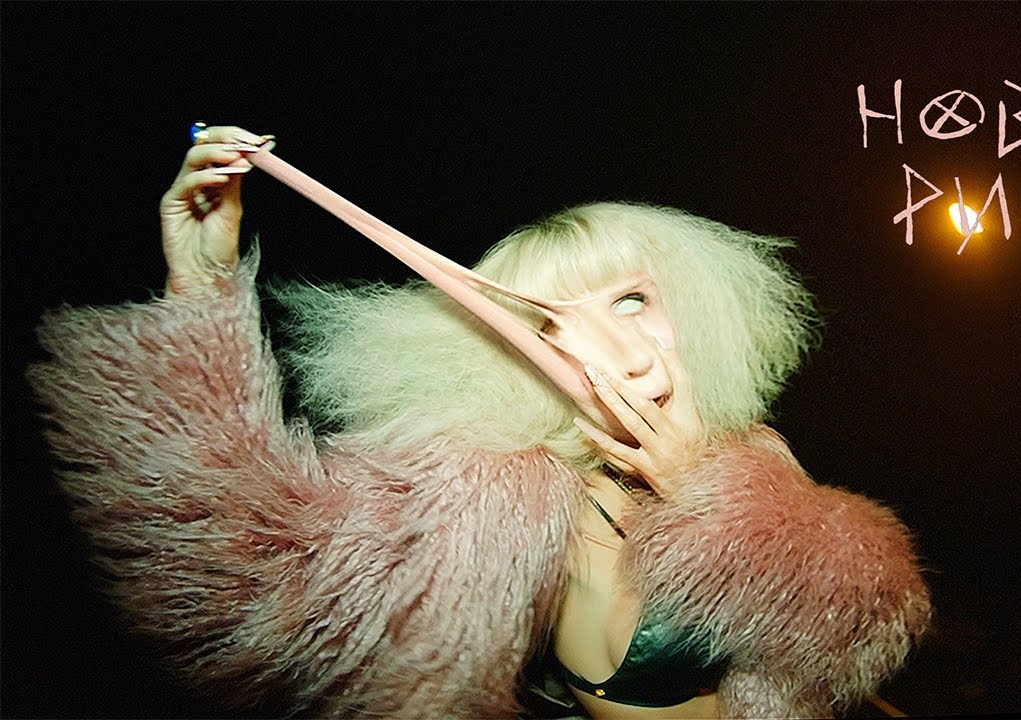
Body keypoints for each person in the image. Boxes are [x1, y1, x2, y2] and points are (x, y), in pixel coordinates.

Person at [28, 125, 931, 719]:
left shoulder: (749, 461)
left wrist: (715, 498)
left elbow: (851, 648)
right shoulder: (489, 483)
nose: (615, 347)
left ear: (693, 304)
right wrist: (200, 285)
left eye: (632, 298)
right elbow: (248, 572)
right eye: (551, 325)